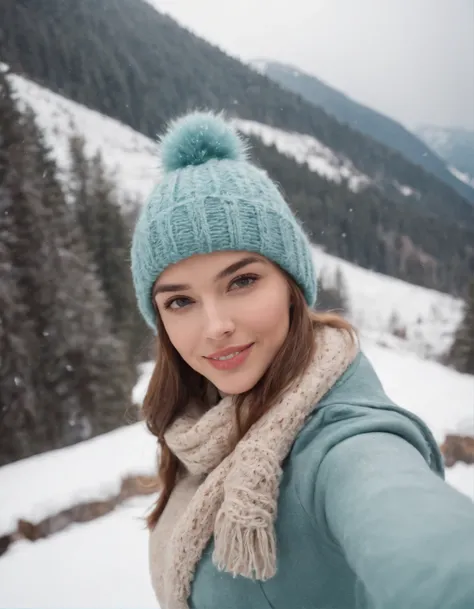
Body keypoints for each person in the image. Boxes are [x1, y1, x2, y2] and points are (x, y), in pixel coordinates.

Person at [130, 111, 474, 609]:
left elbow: (427, 547)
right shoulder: (198, 426)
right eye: (180, 301)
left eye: (242, 281)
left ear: (292, 287)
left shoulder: (344, 444)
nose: (215, 326)